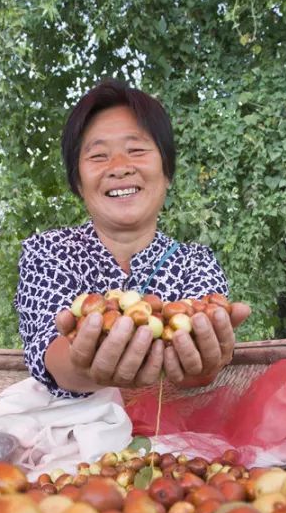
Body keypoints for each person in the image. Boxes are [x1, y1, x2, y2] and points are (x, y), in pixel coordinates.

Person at [15, 79, 252, 398]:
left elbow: (197, 366)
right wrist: (82, 363)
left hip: (173, 440)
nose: (119, 168)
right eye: (98, 156)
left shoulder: (195, 263)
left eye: (137, 150)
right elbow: (53, 355)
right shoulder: (48, 253)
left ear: (167, 172)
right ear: (78, 182)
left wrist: (204, 364)